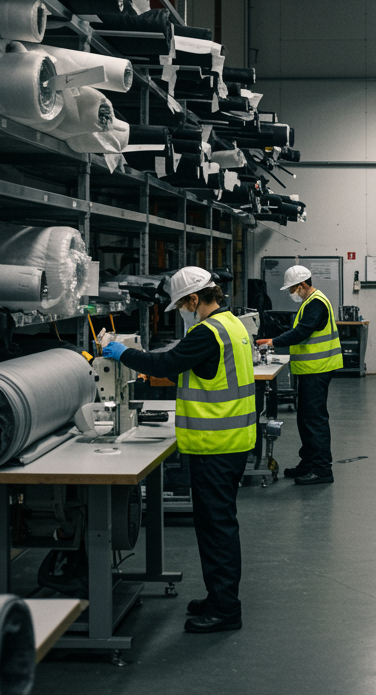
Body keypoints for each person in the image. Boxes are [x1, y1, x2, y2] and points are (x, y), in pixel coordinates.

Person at [99, 266, 256, 633]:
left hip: (214, 446)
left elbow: (165, 364)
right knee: (219, 526)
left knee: (216, 529)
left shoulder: (206, 333)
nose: (183, 311)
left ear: (195, 299)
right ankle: (219, 598)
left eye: (183, 304)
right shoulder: (231, 324)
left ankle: (225, 610)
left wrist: (120, 352)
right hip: (232, 441)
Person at [255, 264, 341, 485]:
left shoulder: (316, 303)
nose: (292, 293)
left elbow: (302, 332)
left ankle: (322, 469)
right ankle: (308, 463)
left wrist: (273, 342)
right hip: (310, 370)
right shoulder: (310, 302)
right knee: (306, 419)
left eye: (293, 289)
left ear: (302, 285)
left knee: (315, 420)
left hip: (318, 370)